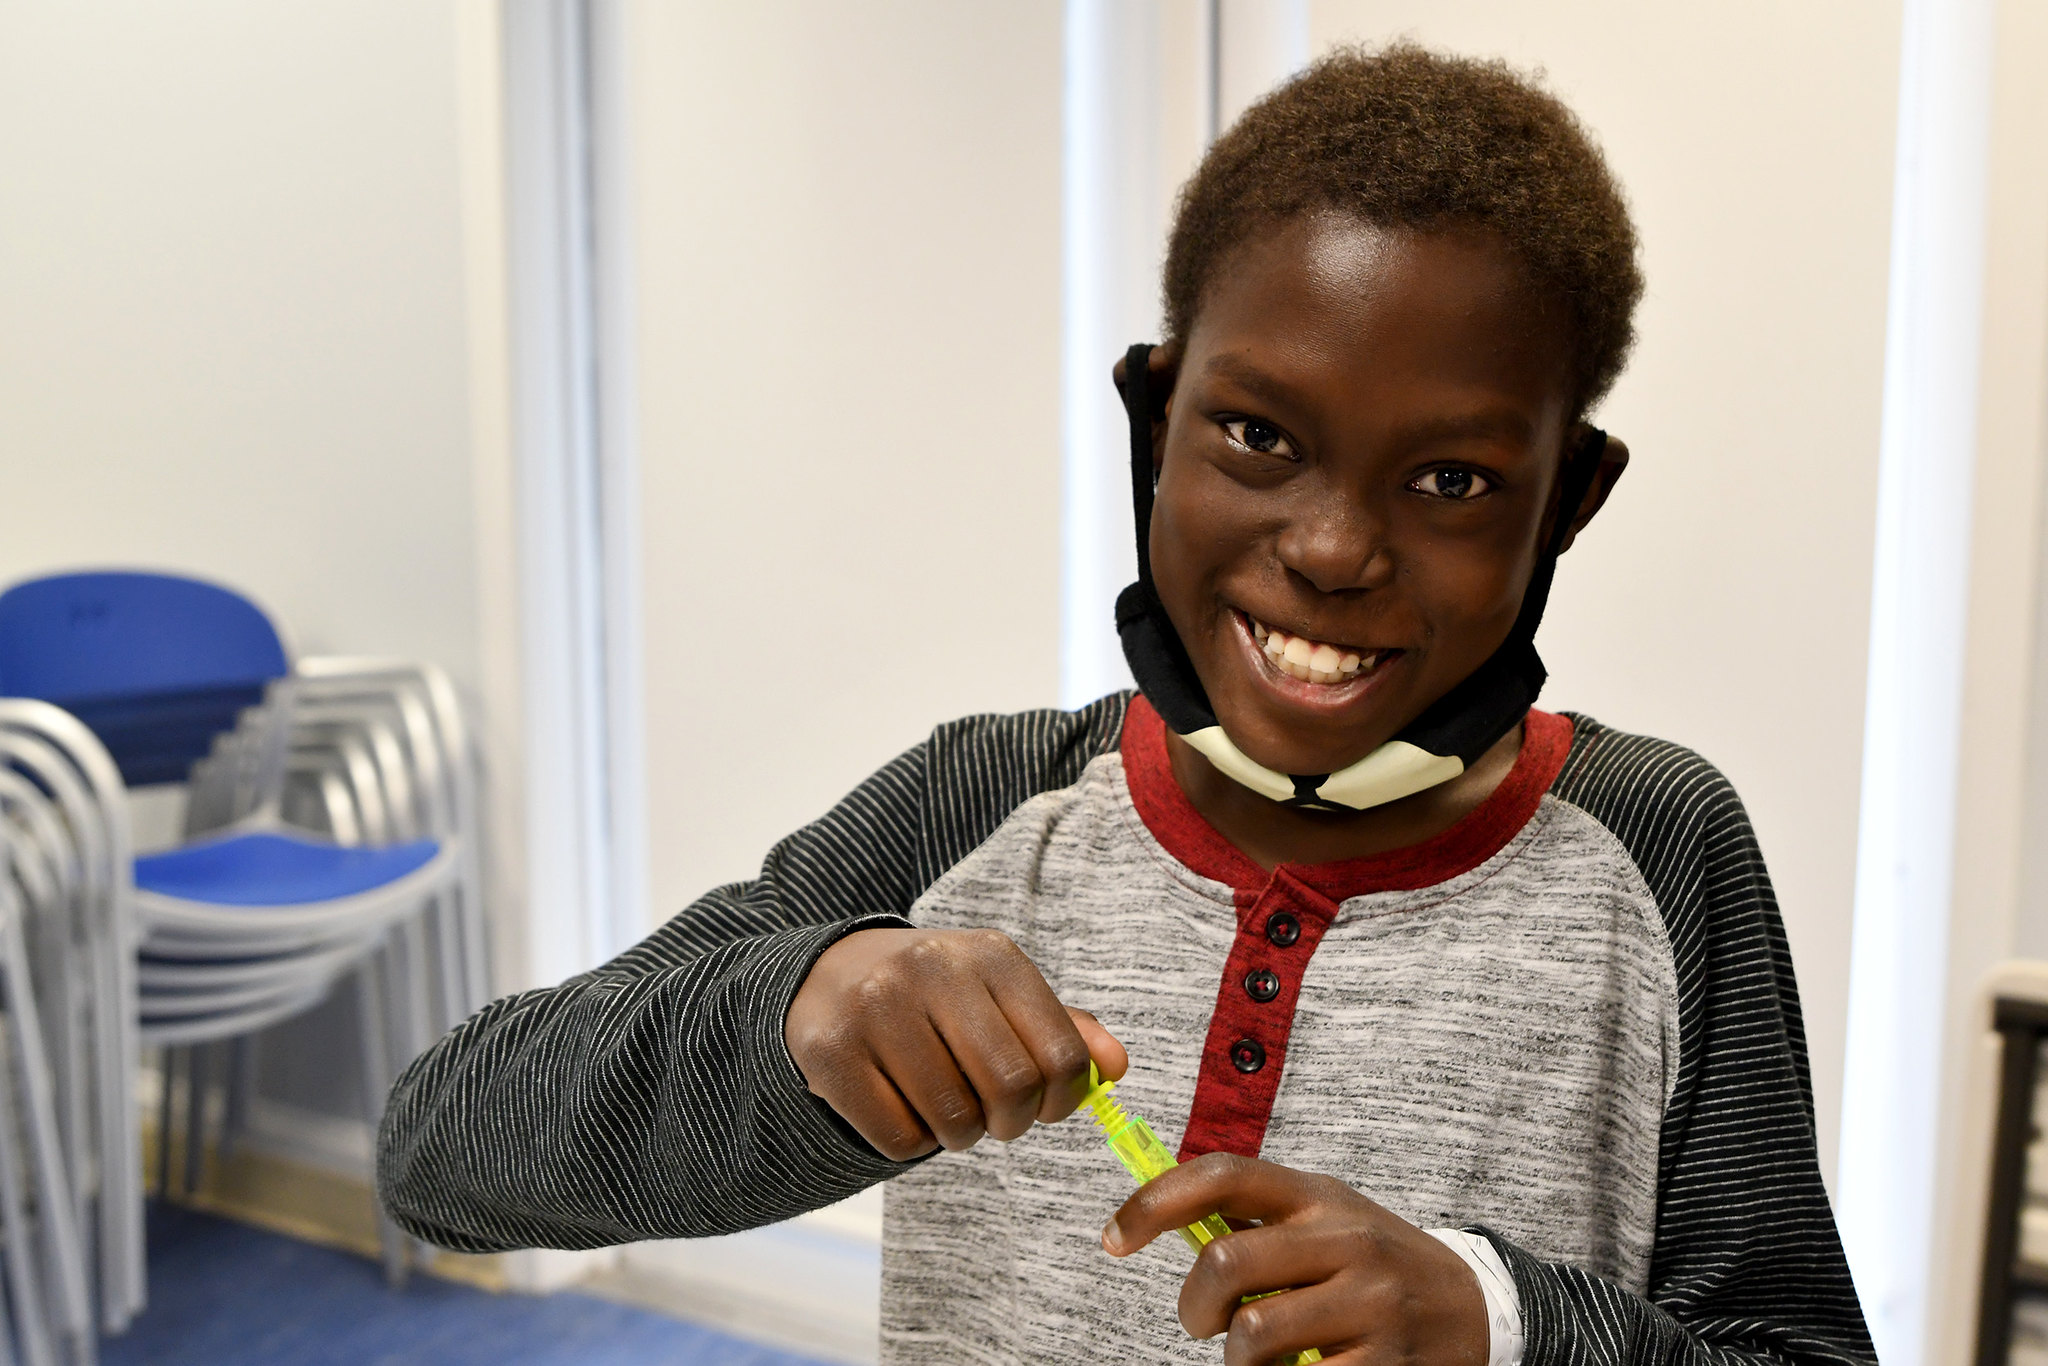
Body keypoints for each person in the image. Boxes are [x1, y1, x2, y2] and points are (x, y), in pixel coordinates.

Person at [378, 45, 1875, 1366]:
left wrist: (1501, 1322)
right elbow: (444, 1150)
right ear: (1158, 420)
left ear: (1570, 501)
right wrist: (798, 1013)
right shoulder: (974, 811)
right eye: (1257, 433)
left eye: (1453, 481)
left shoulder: (1659, 855)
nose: (1335, 548)